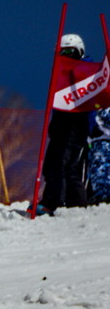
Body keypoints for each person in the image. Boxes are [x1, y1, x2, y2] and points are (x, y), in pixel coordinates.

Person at [37, 34, 95, 214]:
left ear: (80, 51)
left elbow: (92, 100)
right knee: (60, 165)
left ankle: (53, 202)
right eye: (61, 53)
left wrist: (91, 129)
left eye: (70, 52)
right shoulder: (62, 73)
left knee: (58, 163)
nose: (65, 57)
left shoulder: (85, 70)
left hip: (75, 124)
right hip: (62, 124)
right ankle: (75, 202)